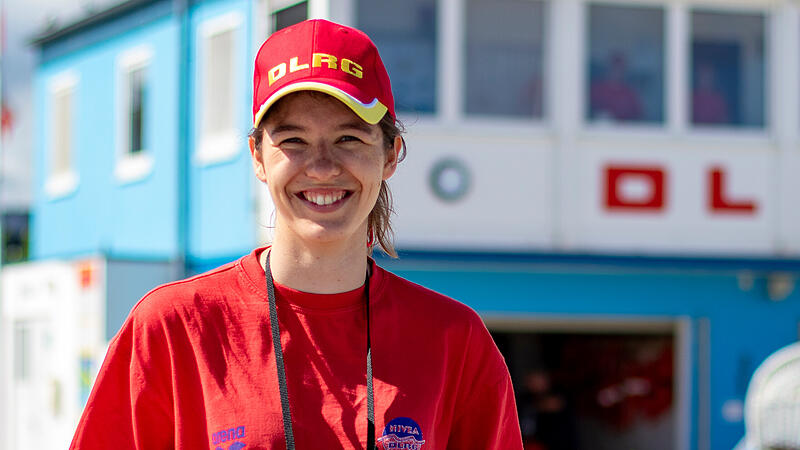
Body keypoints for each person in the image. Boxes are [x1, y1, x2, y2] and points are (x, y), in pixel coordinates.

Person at [70, 19, 523, 449]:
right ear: (258, 157)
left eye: (349, 139)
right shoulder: (174, 328)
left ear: (390, 154)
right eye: (293, 141)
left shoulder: (454, 341)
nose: (322, 166)